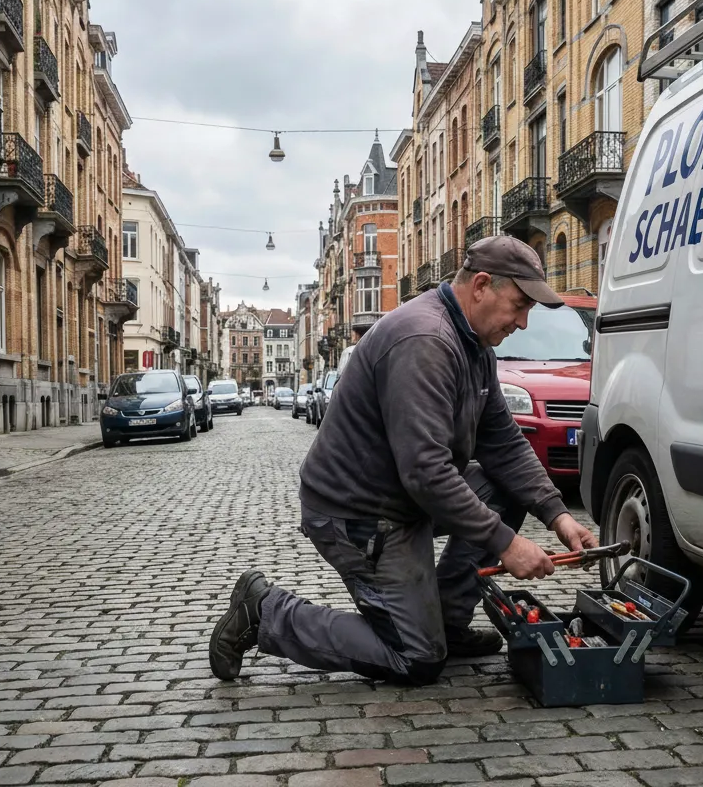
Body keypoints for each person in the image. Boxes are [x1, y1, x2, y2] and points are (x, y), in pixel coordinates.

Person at [209, 236, 598, 685]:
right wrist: (507, 545)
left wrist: (557, 516)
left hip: (402, 502)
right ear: (481, 286)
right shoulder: (426, 340)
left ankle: (447, 624)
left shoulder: (474, 346)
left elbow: (505, 442)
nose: (523, 322)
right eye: (519, 305)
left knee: (502, 486)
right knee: (415, 657)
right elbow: (426, 471)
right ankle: (264, 612)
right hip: (359, 515)